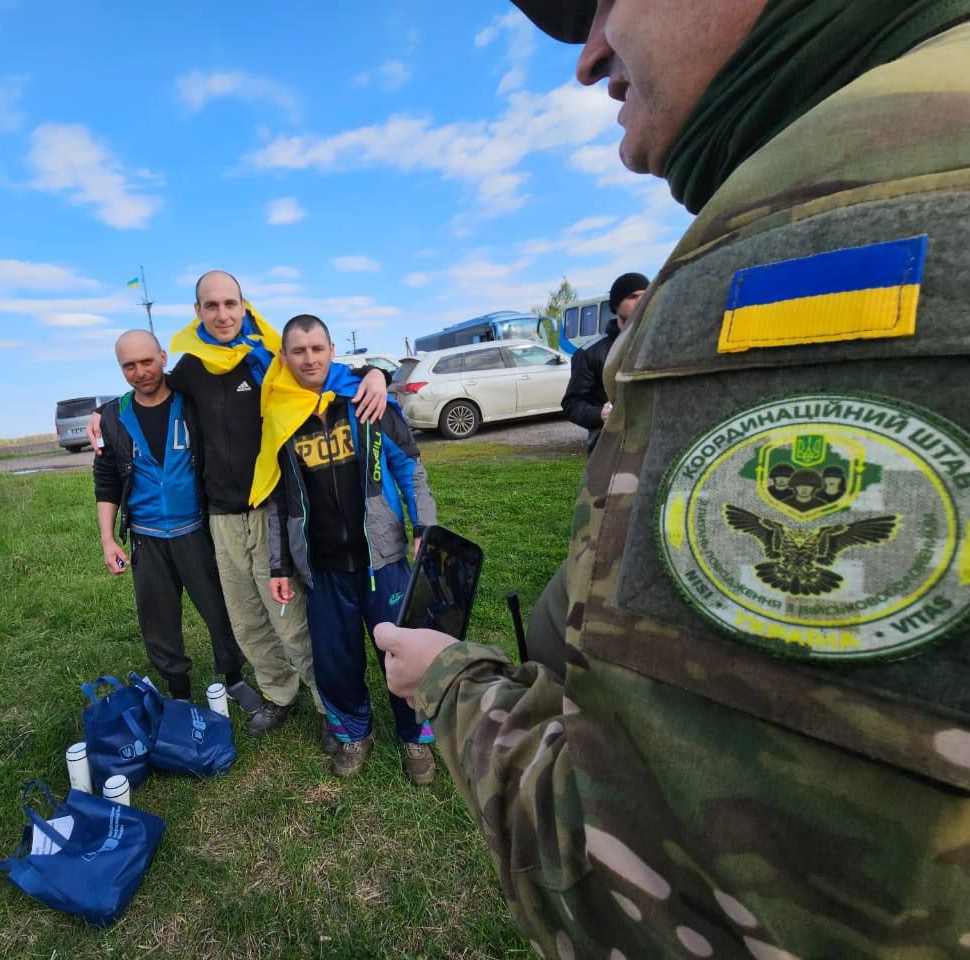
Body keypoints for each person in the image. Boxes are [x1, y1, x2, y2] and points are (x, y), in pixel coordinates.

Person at [377, 1, 970, 956]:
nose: (589, 57)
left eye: (605, 0)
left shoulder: (831, 220)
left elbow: (671, 891)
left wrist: (449, 680)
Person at [87, 272, 390, 747]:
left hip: (271, 507)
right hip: (220, 515)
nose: (222, 314)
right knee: (246, 619)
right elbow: (147, 386)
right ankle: (278, 693)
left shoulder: (266, 357)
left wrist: (377, 373)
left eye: (230, 303)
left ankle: (326, 703)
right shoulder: (191, 369)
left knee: (289, 617)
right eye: (211, 306)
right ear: (198, 313)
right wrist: (102, 413)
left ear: (244, 306)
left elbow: (325, 370)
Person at [257, 315, 438, 782]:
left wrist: (425, 527)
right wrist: (280, 564)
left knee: (403, 649)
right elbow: (278, 502)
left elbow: (410, 467)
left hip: (383, 558)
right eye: (298, 351)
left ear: (332, 349)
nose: (309, 359)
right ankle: (354, 732)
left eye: (317, 348)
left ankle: (416, 737)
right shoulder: (280, 418)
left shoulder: (366, 399)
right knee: (336, 660)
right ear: (284, 357)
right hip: (322, 567)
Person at [93, 330, 261, 708]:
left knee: (220, 609)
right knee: (158, 621)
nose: (140, 372)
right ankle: (178, 691)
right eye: (129, 366)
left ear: (163, 357)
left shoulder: (191, 402)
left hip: (196, 530)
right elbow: (106, 481)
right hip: (147, 536)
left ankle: (234, 678)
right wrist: (108, 538)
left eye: (147, 361)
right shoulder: (114, 417)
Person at [560, 271, 647, 452]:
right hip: (611, 449)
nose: (641, 301)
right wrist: (599, 413)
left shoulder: (660, 344)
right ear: (616, 304)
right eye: (633, 297)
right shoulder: (590, 353)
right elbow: (572, 404)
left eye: (646, 296)